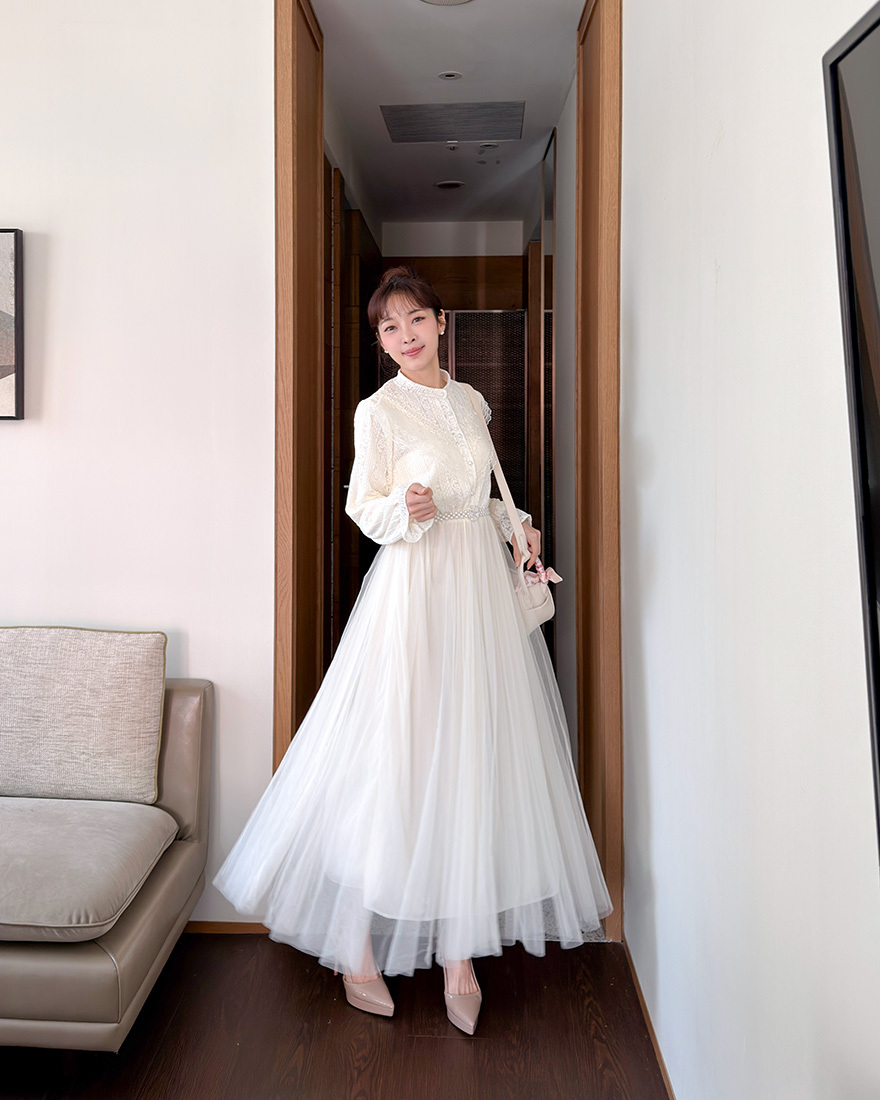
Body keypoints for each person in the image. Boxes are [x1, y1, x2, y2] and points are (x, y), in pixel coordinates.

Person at [214, 266, 613, 1036]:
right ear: (381, 340)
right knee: (394, 756)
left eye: (415, 320)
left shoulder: (470, 401)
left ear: (440, 321)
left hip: (477, 595)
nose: (404, 336)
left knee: (471, 757)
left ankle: (459, 955)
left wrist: (516, 526)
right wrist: (404, 506)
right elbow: (361, 506)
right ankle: (354, 943)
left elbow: (480, 494)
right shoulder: (379, 411)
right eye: (389, 327)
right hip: (415, 593)